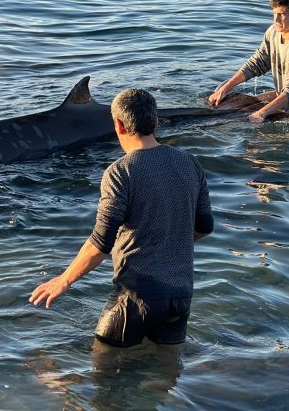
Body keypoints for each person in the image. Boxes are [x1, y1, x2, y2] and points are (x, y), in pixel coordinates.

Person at [29, 88, 213, 368]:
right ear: (156, 122)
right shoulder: (189, 162)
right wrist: (167, 238)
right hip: (180, 295)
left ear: (118, 125)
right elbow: (204, 226)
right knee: (168, 374)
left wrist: (63, 279)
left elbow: (101, 241)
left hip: (136, 297)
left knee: (100, 373)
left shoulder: (120, 172)